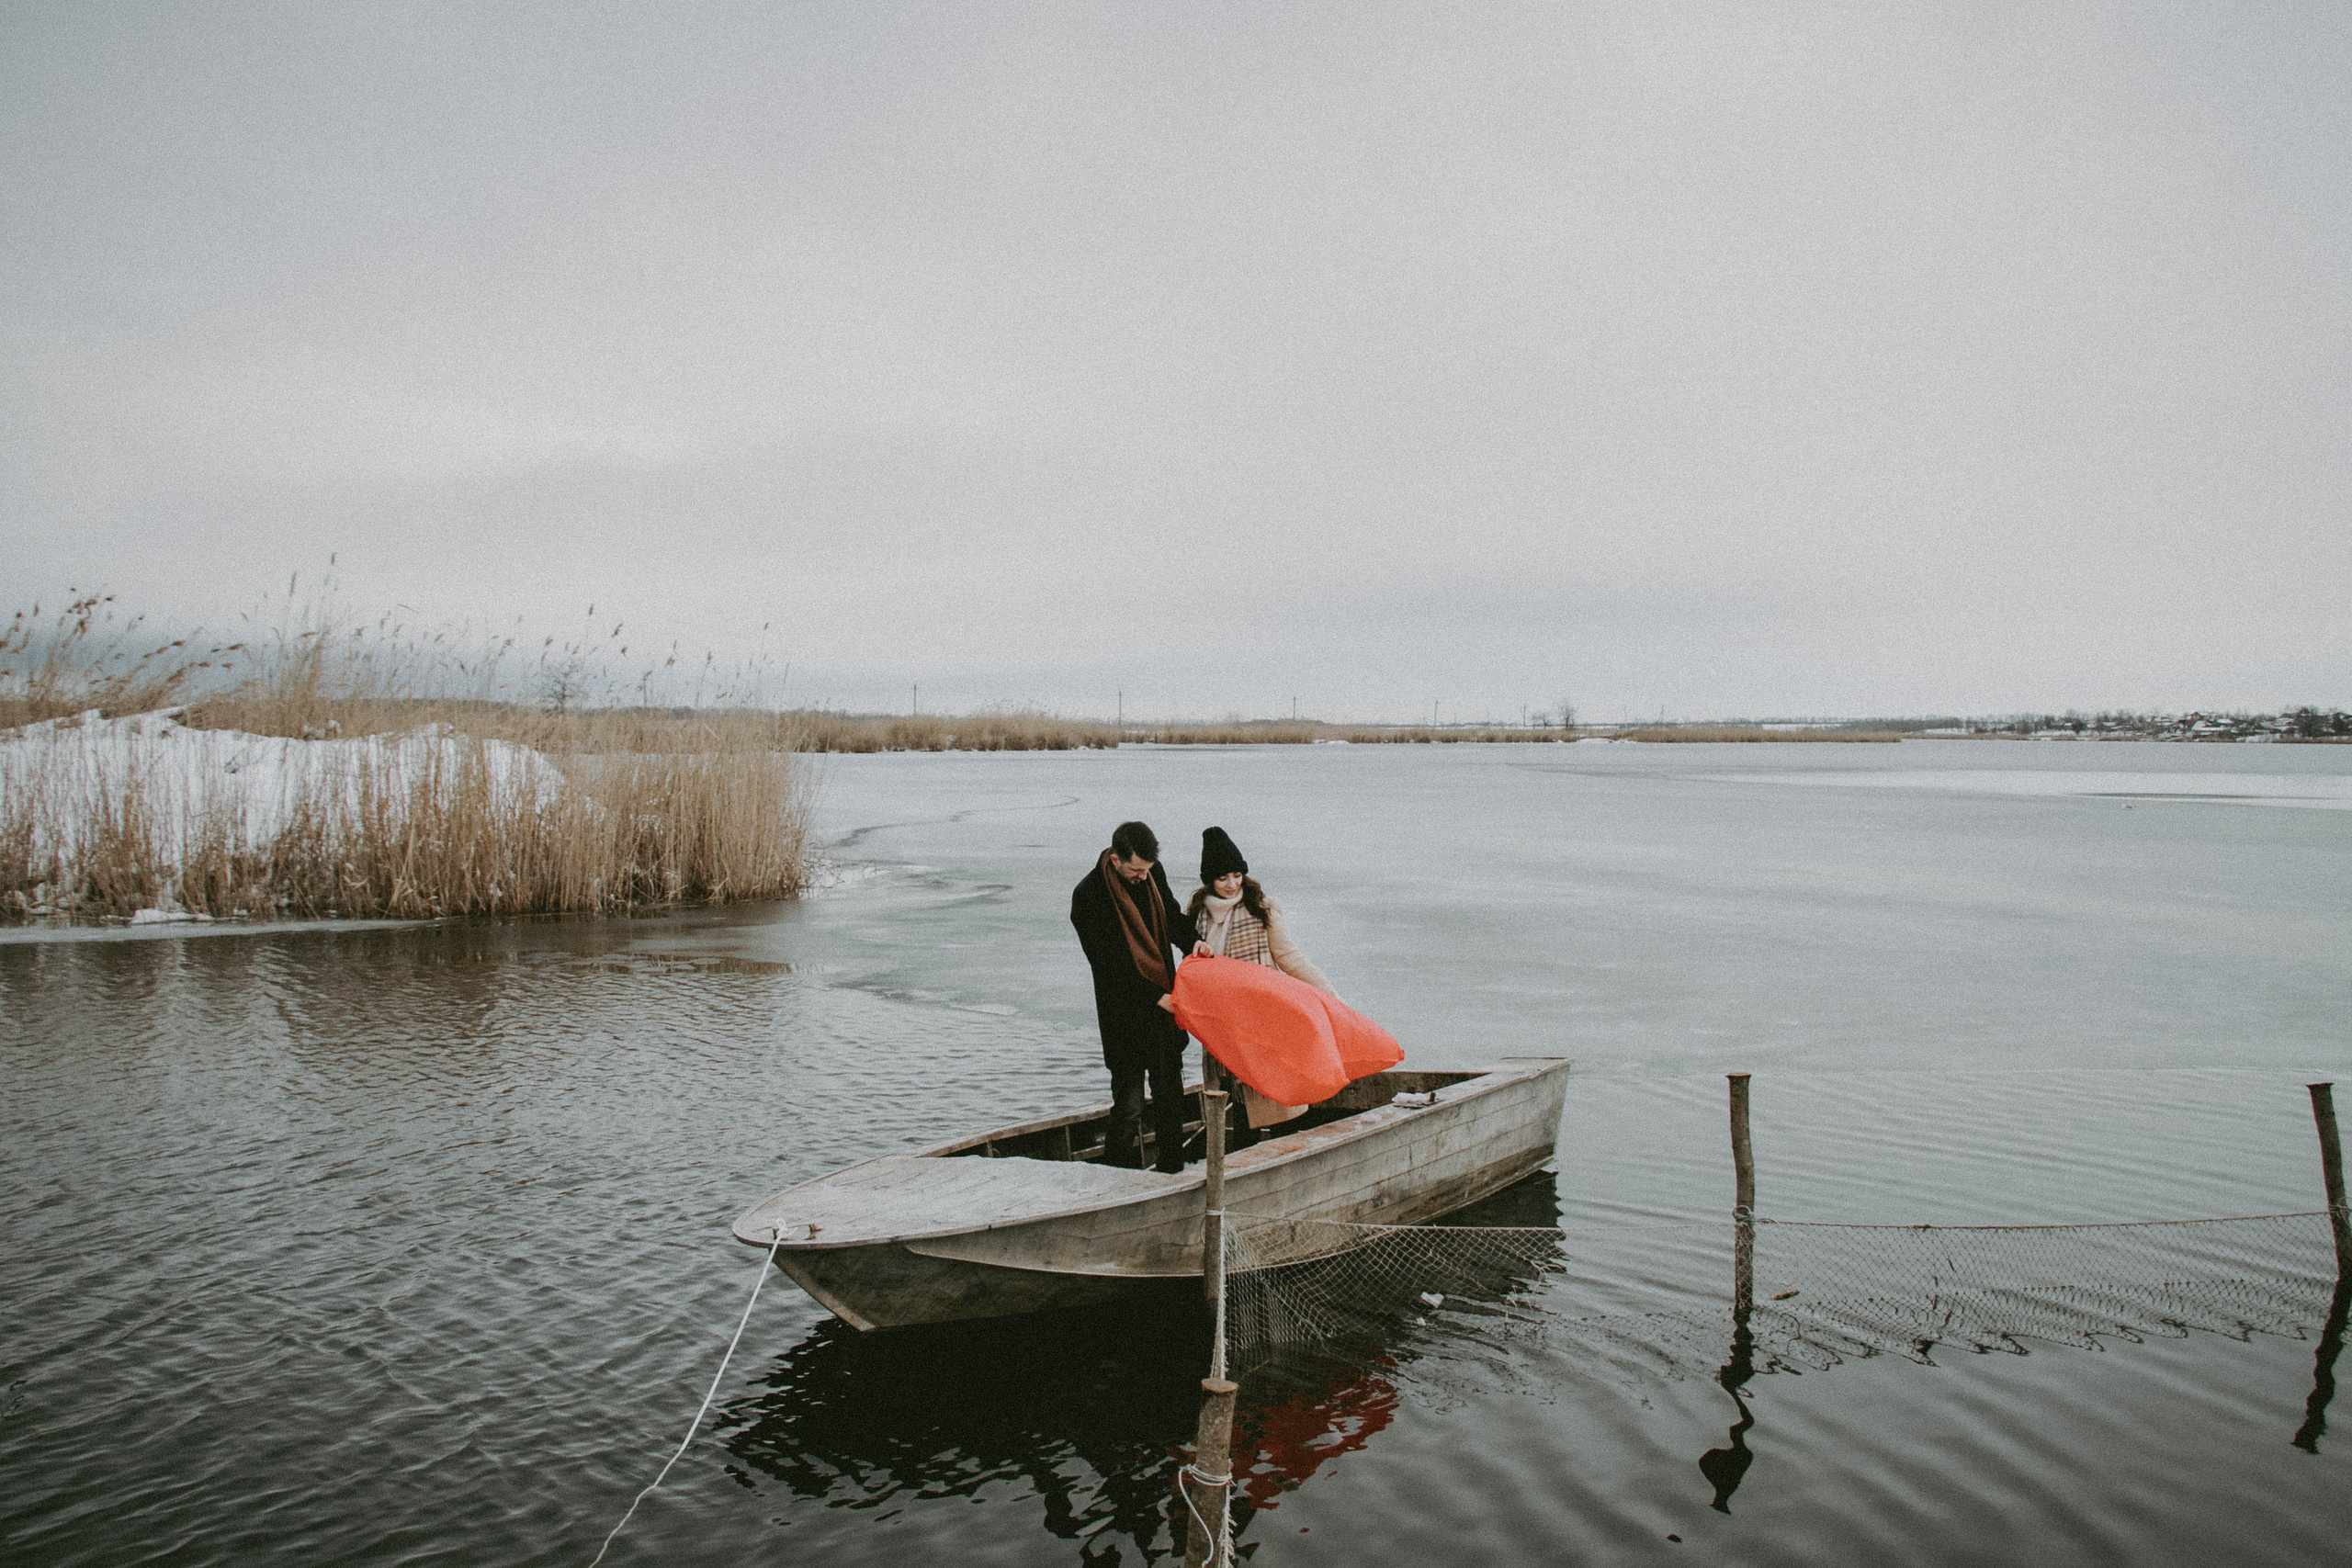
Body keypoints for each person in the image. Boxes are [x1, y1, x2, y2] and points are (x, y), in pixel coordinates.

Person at [1186, 826, 1338, 1130]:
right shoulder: (1197, 913)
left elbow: (1288, 957)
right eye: (1222, 878)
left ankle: (1288, 1158)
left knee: (1277, 1099)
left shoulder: (1261, 906)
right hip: (1223, 1023)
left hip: (1262, 1017)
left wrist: (1328, 995)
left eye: (1237, 875)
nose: (1232, 884)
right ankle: (1240, 1163)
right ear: (1209, 880)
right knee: (1235, 1100)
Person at [1069, 820, 1196, 1173]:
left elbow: (1171, 917)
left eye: (1148, 870)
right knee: (1129, 1108)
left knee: (1171, 1097)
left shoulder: (1153, 876)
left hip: (1162, 1015)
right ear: (1115, 859)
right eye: (1136, 870)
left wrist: (1193, 941)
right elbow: (1108, 967)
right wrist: (1155, 995)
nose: (1143, 877)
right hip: (1123, 1018)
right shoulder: (1088, 896)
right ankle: (1118, 1178)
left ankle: (1173, 1170)